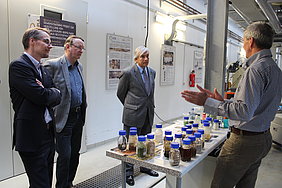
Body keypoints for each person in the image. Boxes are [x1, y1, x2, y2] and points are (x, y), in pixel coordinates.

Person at [181, 21, 282, 188]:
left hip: (244, 142)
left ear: (251, 41)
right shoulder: (274, 69)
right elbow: (256, 104)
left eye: (243, 41)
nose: (243, 45)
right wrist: (222, 101)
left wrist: (207, 102)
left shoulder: (255, 70)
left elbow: (244, 112)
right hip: (263, 139)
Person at [8, 27, 61, 188]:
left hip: (47, 133)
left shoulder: (42, 69)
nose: (50, 46)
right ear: (32, 41)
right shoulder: (19, 66)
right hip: (31, 136)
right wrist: (48, 92)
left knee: (46, 182)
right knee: (40, 184)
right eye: (46, 41)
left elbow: (57, 95)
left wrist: (48, 91)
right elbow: (42, 96)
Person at [44, 35, 87, 188]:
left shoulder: (79, 67)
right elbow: (45, 92)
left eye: (82, 48)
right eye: (78, 47)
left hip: (77, 116)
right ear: (68, 46)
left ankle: (69, 182)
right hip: (63, 117)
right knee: (65, 155)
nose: (81, 50)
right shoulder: (52, 65)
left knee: (75, 153)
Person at [117, 46, 159, 186]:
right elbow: (120, 94)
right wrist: (132, 107)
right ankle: (128, 173)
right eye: (142, 56)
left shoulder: (152, 72)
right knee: (131, 144)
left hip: (147, 113)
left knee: (146, 141)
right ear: (136, 58)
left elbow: (149, 93)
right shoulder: (128, 73)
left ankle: (145, 166)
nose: (146, 59)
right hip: (133, 114)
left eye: (147, 56)